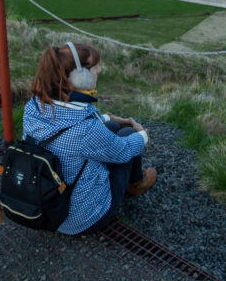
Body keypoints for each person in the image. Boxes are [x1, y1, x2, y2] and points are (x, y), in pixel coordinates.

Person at [22, 41, 156, 235]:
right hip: (79, 220)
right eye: (94, 67)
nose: (99, 70)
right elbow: (124, 150)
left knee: (111, 126)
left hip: (49, 202)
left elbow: (67, 127)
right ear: (78, 78)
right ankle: (136, 183)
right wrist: (143, 135)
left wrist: (107, 118)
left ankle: (133, 178)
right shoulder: (85, 130)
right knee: (129, 135)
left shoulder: (35, 106)